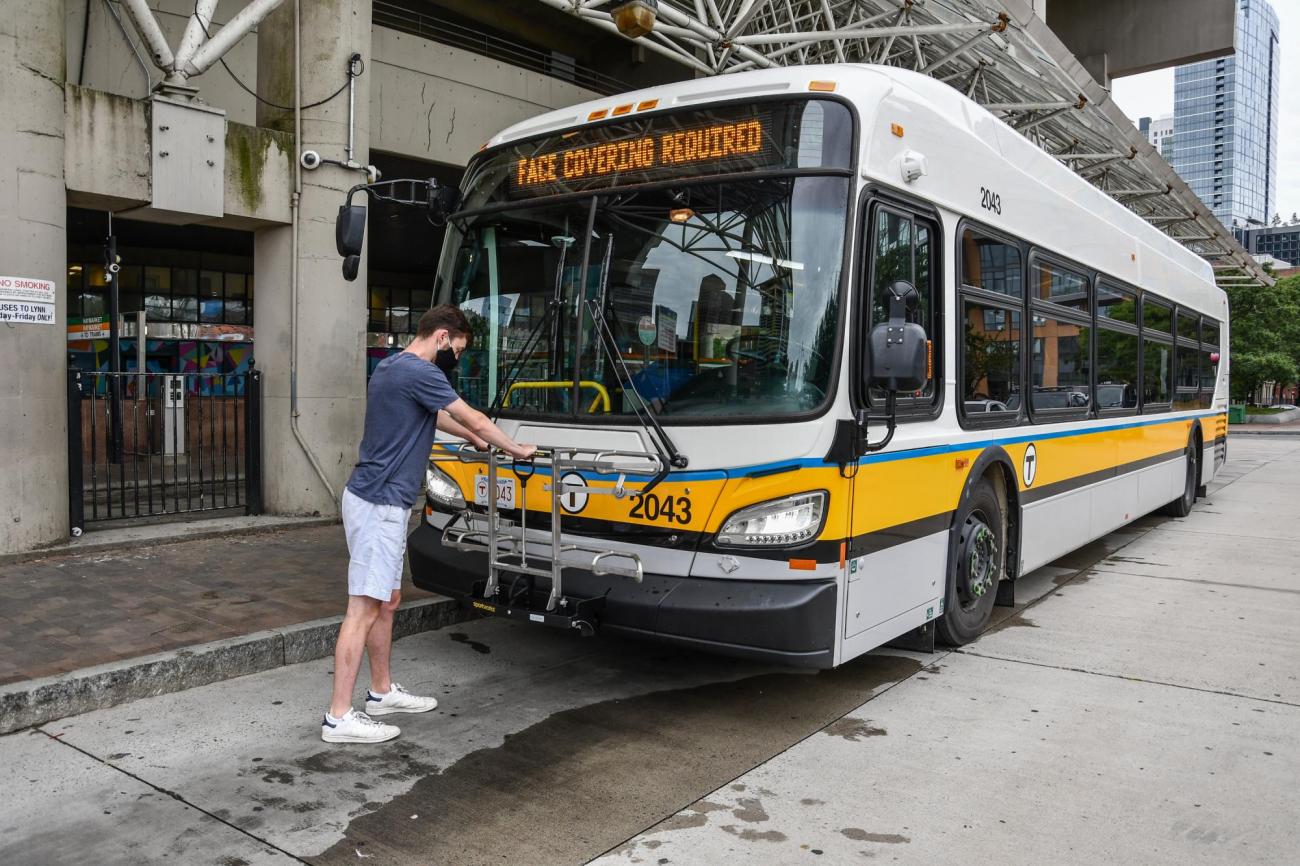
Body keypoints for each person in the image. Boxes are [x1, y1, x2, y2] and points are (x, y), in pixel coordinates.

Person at [322, 304, 536, 744]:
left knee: (387, 599)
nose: (455, 358)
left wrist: (473, 439)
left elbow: (437, 416)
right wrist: (514, 449)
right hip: (380, 503)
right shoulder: (422, 372)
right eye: (456, 349)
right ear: (442, 337)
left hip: (378, 500)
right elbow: (469, 413)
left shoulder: (392, 367)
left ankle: (380, 693)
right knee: (363, 607)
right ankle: (338, 717)